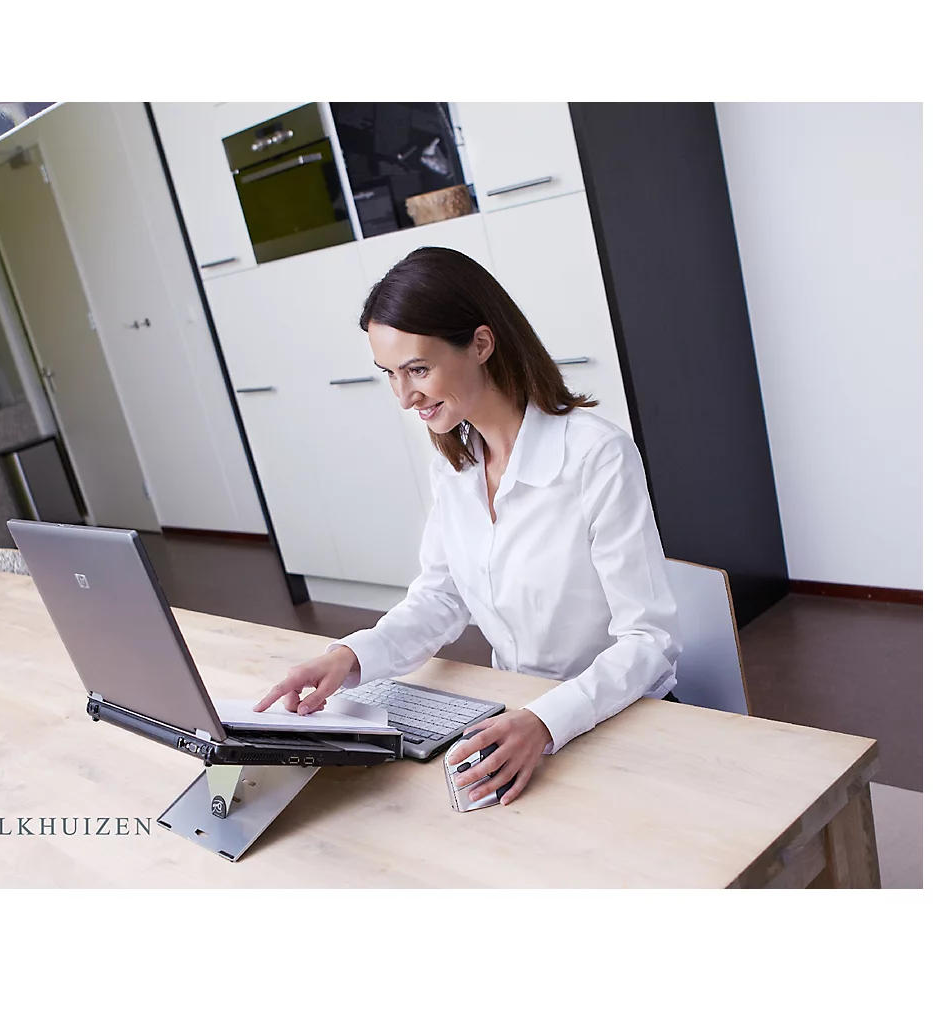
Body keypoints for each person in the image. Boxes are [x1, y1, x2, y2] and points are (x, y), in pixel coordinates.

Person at [254, 246, 681, 806]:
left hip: (609, 716)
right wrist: (349, 658)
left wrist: (547, 722)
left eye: (418, 370)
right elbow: (438, 601)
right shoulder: (456, 468)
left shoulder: (595, 455)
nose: (404, 397)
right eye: (390, 374)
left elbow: (649, 642)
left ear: (481, 344)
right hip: (517, 714)